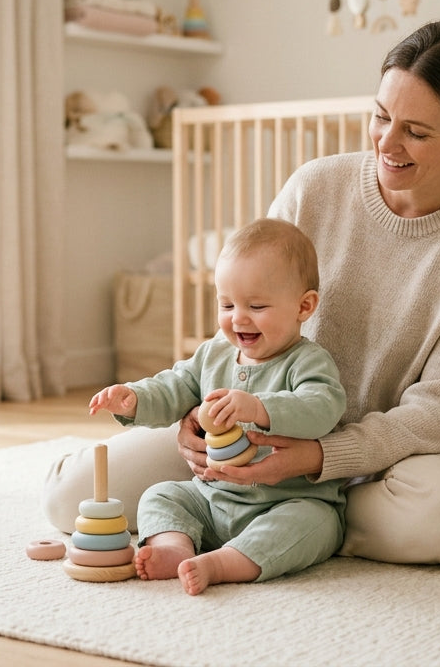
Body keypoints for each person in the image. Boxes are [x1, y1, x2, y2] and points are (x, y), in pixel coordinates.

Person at [44, 18, 440, 566]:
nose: (387, 143)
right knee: (72, 498)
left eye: (416, 132)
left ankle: (305, 520)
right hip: (245, 438)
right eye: (379, 116)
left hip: (383, 461)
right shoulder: (315, 186)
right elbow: (240, 325)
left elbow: (437, 415)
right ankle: (274, 524)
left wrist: (316, 457)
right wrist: (193, 419)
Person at [87, 217, 346, 595]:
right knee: (160, 495)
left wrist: (258, 407)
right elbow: (175, 385)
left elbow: (323, 406)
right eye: (226, 304)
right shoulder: (214, 355)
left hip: (288, 500)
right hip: (213, 498)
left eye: (256, 306)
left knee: (316, 524)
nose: (238, 317)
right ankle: (174, 546)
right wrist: (135, 399)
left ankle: (225, 563)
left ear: (304, 307)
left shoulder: (308, 361)